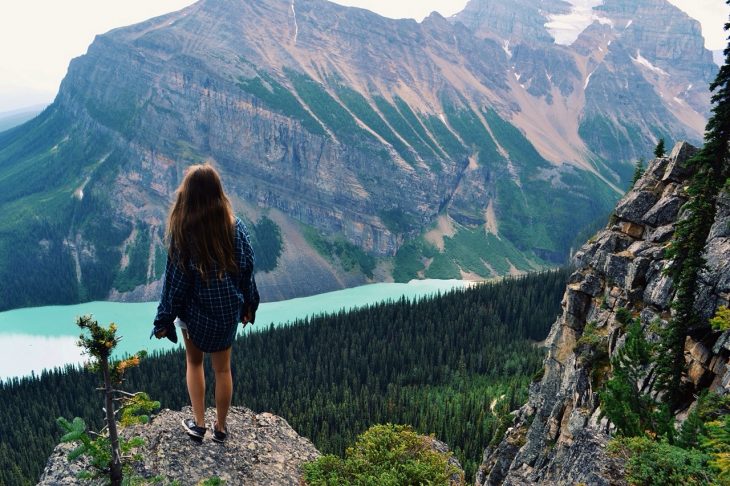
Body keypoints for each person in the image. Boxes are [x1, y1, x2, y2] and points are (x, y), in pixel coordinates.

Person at [152, 163, 259, 443]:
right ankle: (221, 428)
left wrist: (163, 320)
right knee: (223, 369)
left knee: (194, 362)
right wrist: (249, 305)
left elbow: (175, 285)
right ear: (217, 193)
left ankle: (199, 425)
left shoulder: (183, 234)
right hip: (226, 312)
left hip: (194, 315)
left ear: (187, 195)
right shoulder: (237, 228)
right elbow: (247, 271)